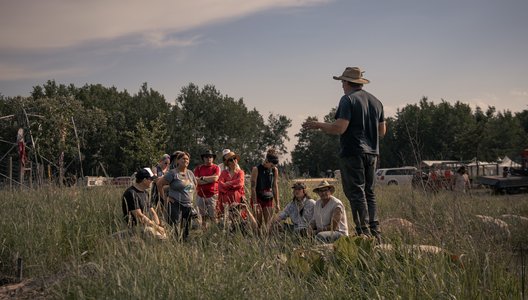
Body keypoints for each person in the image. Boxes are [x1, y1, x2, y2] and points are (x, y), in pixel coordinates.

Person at [302, 66, 385, 239]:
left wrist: (319, 125)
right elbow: (382, 131)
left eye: (342, 82)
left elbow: (339, 127)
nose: (341, 85)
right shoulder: (377, 102)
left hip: (353, 152)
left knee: (356, 193)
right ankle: (375, 231)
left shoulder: (348, 99)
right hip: (372, 153)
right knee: (369, 192)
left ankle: (363, 232)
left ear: (347, 82)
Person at [156, 151, 197, 241]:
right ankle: (174, 245)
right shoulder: (172, 173)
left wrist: (188, 195)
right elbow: (159, 184)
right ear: (177, 161)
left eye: (187, 159)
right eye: (183, 158)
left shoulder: (190, 173)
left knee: (186, 229)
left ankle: (184, 245)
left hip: (188, 205)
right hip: (175, 204)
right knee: (175, 229)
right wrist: (165, 198)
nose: (185, 160)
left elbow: (194, 185)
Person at [122, 167, 166, 238]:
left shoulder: (145, 193)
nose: (152, 181)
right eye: (151, 179)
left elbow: (152, 212)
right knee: (159, 237)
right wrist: (156, 228)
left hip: (148, 225)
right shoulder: (131, 193)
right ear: (145, 180)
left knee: (163, 234)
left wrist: (158, 225)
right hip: (136, 227)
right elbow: (139, 216)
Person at [250, 148, 280, 228]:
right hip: (257, 197)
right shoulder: (256, 169)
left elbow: (274, 186)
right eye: (271, 165)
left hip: (268, 197)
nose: (272, 167)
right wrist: (255, 203)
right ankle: (257, 238)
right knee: (258, 222)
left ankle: (268, 239)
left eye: (274, 166)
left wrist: (277, 203)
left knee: (269, 223)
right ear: (267, 161)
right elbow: (253, 187)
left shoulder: (274, 170)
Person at [194, 149, 220, 229]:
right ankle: (203, 231)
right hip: (200, 195)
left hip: (212, 194)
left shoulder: (216, 167)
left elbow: (215, 178)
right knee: (202, 217)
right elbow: (196, 181)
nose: (208, 158)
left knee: (214, 216)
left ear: (213, 158)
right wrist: (209, 180)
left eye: (210, 157)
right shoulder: (198, 168)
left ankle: (215, 231)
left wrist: (202, 178)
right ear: (203, 158)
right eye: (206, 157)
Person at [217, 151, 246, 217]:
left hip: (237, 199)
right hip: (226, 200)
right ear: (228, 162)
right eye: (231, 160)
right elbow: (220, 186)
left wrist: (227, 183)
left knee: (238, 218)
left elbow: (240, 183)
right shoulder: (224, 172)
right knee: (227, 219)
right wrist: (234, 184)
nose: (233, 161)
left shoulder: (240, 172)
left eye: (234, 158)